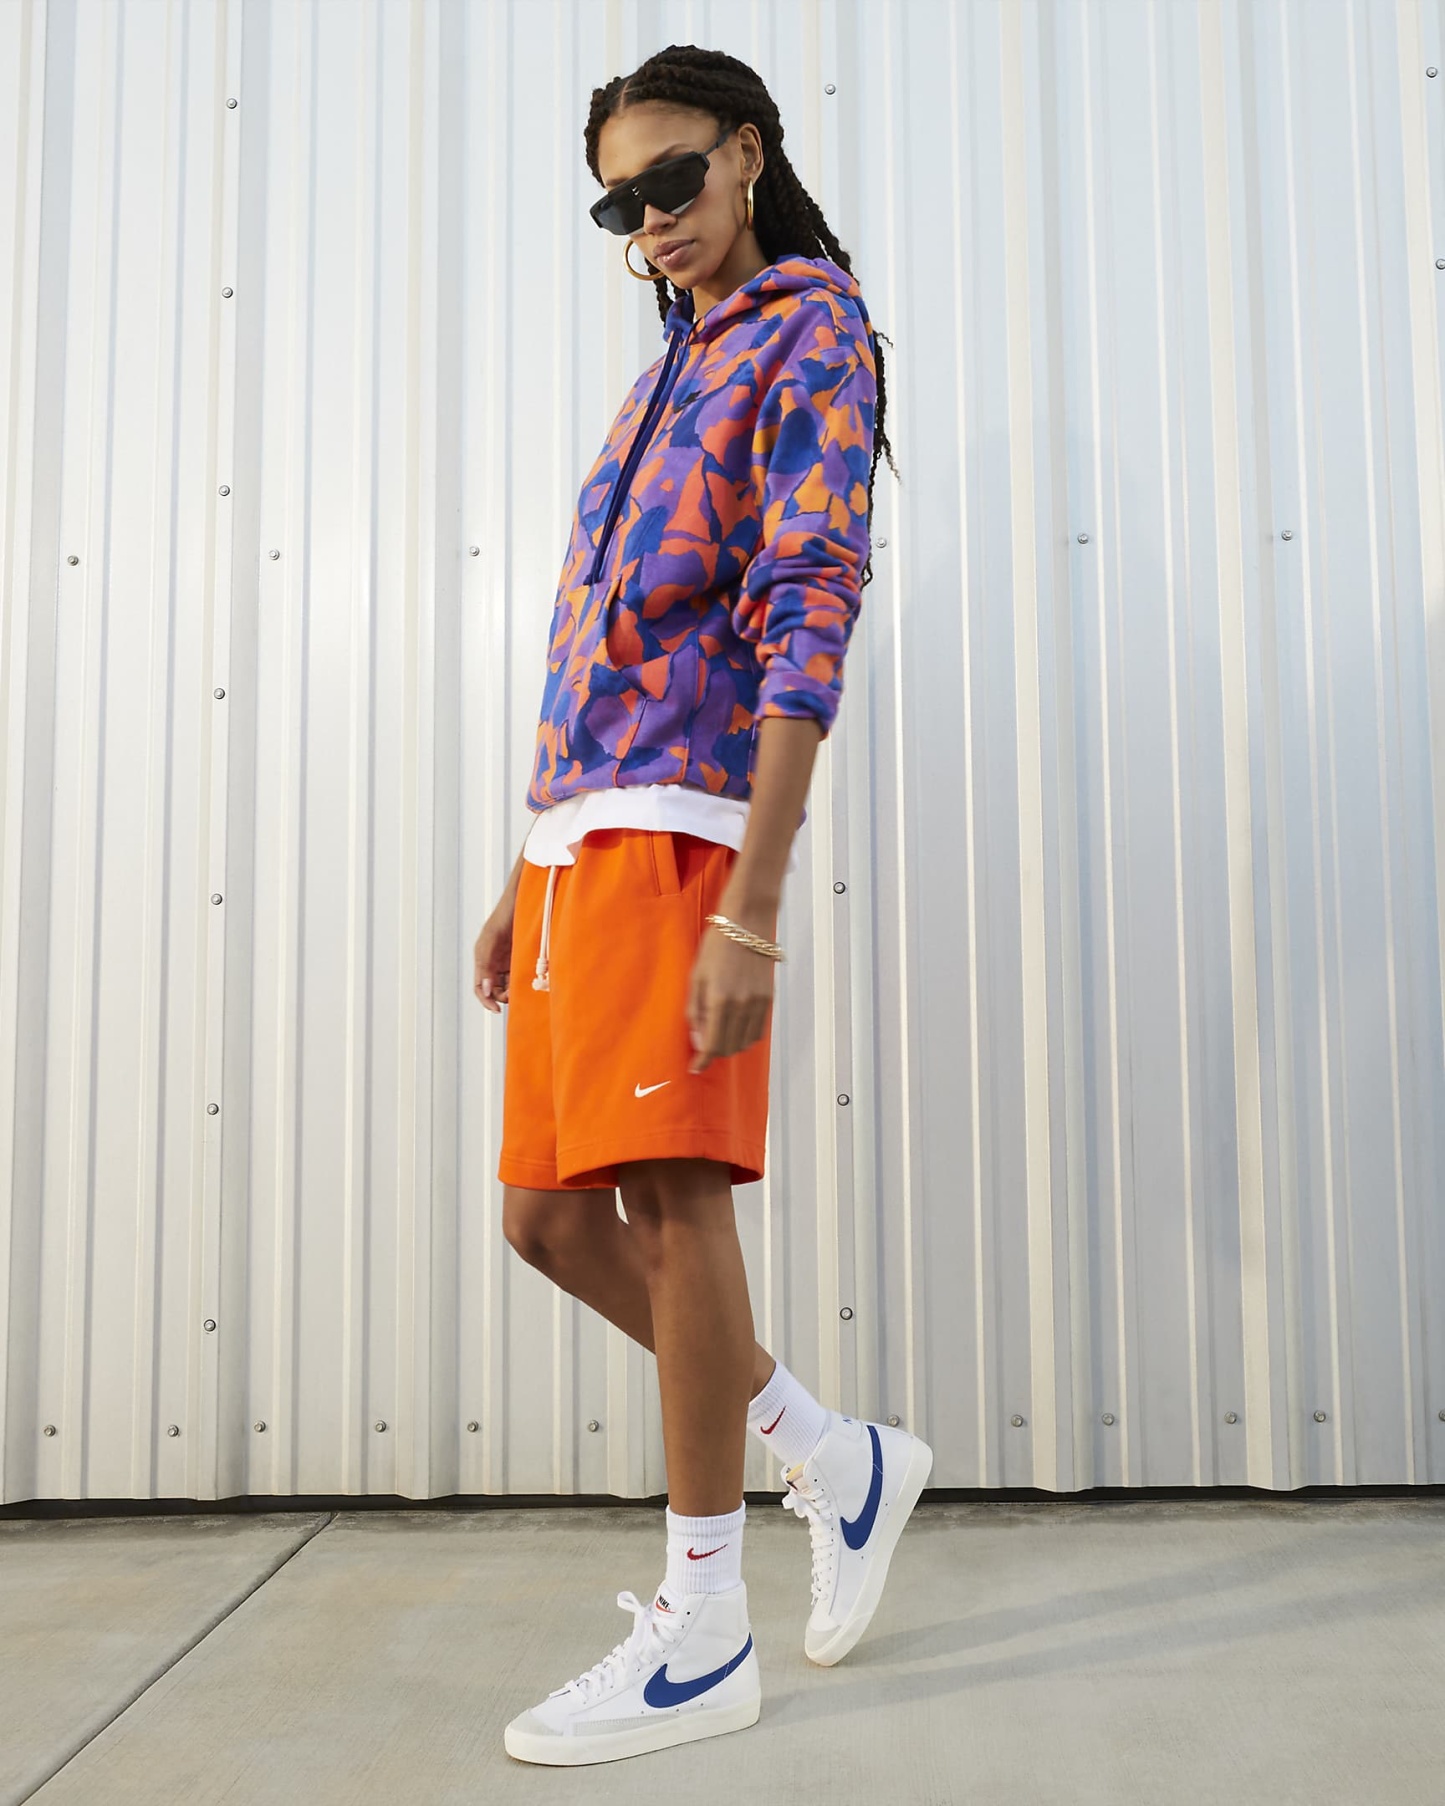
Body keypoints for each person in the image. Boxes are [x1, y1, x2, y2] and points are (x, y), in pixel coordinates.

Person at [472, 43, 930, 1767]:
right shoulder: (666, 367)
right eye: (619, 203)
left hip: (682, 839)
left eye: (671, 180)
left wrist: (753, 899)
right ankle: (830, 1452)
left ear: (744, 154)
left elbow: (808, 607)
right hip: (581, 841)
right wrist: (523, 860)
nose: (650, 220)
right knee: (543, 1220)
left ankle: (704, 1623)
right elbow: (595, 642)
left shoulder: (810, 329)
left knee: (669, 1207)